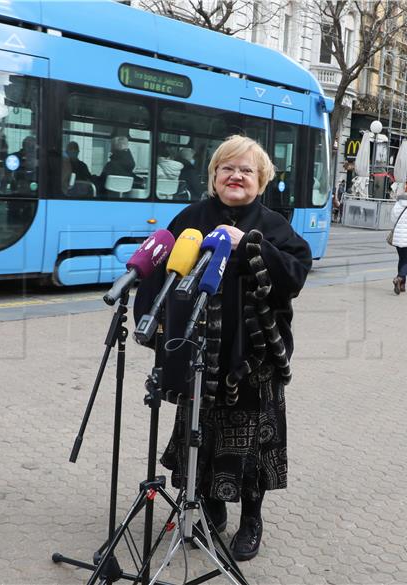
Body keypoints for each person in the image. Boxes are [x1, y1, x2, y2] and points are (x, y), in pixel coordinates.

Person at [134, 135, 312, 561]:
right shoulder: (192, 218)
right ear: (214, 176)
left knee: (254, 441)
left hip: (254, 358)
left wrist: (250, 244)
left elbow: (296, 275)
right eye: (227, 168)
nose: (236, 176)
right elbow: (156, 275)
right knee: (201, 433)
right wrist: (155, 329)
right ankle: (210, 506)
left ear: (261, 180)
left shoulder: (273, 225)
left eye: (246, 170)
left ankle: (252, 516)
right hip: (196, 355)